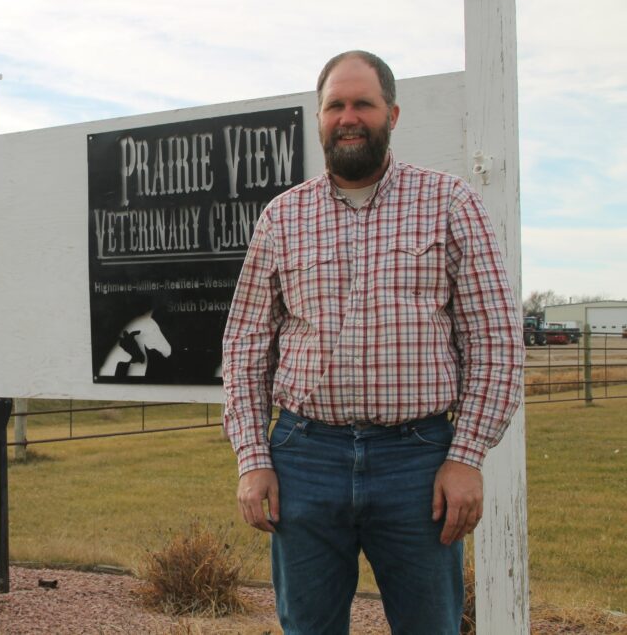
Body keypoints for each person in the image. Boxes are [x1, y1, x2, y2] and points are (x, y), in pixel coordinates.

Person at [221, 50, 523, 634]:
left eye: (363, 103)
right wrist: (252, 459)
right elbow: (245, 347)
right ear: (319, 118)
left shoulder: (449, 203)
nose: (349, 116)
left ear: (393, 114)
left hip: (418, 462)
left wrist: (466, 457)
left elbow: (497, 342)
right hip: (304, 458)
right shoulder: (282, 218)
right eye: (335, 105)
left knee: (429, 626)